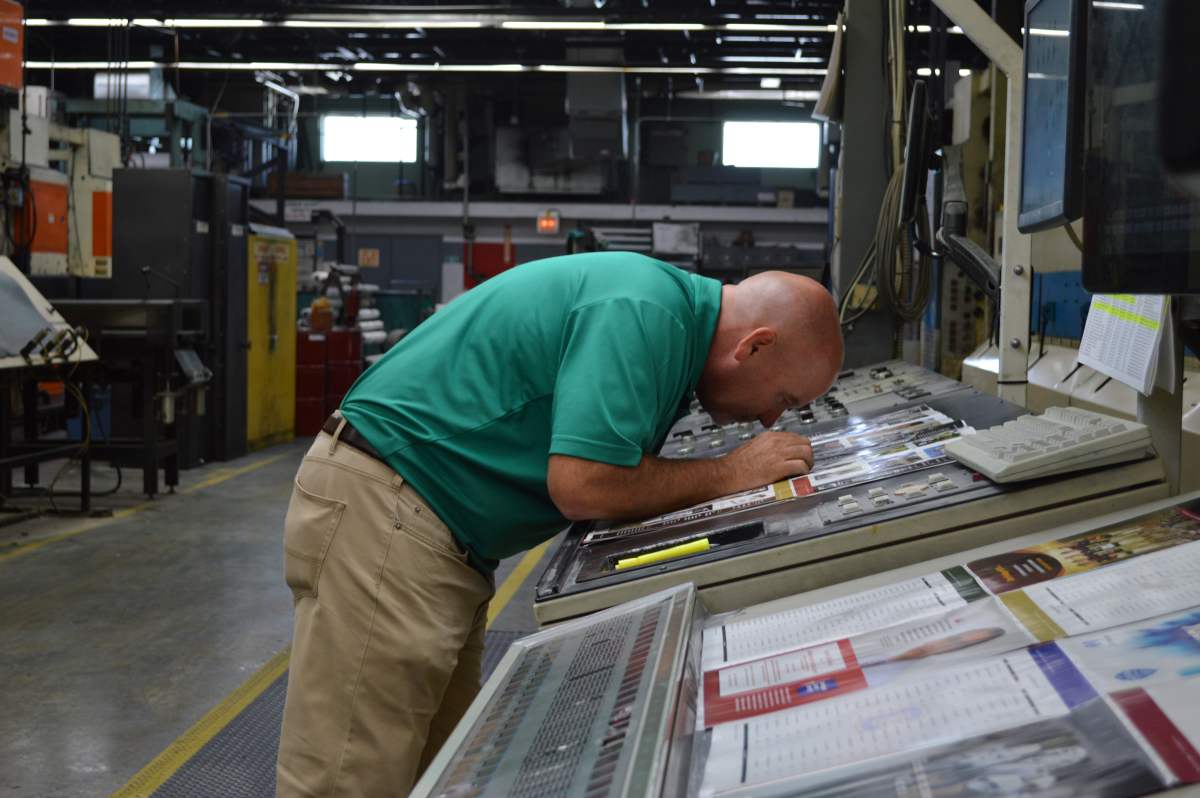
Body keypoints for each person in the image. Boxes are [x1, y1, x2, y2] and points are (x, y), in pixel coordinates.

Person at [275, 251, 843, 797]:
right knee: (349, 779)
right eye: (783, 398)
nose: (771, 417)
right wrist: (728, 473)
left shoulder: (667, 322)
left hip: (434, 531)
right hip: (389, 510)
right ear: (755, 345)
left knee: (432, 769)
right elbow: (583, 483)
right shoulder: (644, 311)